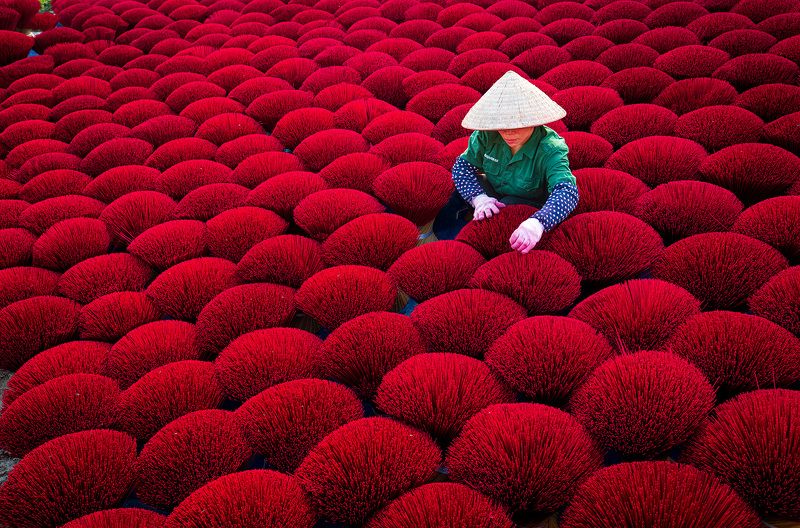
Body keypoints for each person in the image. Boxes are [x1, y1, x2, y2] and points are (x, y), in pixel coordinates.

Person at [450, 70, 579, 254]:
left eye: (517, 124)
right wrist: (479, 198)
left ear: (534, 120)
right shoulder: (487, 135)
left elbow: (567, 191)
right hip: (493, 192)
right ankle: (453, 242)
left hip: (530, 206)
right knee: (455, 193)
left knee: (508, 204)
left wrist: (538, 223)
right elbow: (462, 167)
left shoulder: (550, 149)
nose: (508, 133)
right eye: (503, 125)